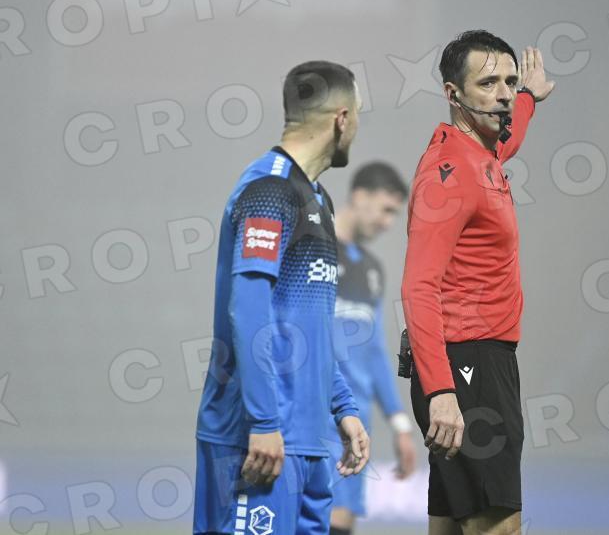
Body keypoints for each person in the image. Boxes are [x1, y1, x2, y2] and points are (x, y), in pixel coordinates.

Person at [194, 60, 370, 535]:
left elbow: (310, 323)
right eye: (358, 114)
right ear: (341, 119)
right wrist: (264, 421)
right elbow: (248, 307)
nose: (357, 127)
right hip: (259, 442)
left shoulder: (319, 199)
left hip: (307, 444)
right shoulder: (269, 189)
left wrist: (343, 407)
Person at [400, 30, 555, 535]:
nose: (503, 94)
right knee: (499, 526)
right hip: (469, 370)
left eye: (510, 81)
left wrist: (530, 98)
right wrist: (442, 390)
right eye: (488, 84)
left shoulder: (480, 155)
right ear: (453, 94)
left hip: (472, 365)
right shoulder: (450, 174)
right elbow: (418, 287)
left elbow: (506, 139)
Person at [328, 162, 418, 535]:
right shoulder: (311, 249)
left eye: (395, 214)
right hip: (318, 416)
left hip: (358, 424)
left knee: (342, 521)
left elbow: (375, 350)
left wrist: (399, 423)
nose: (388, 222)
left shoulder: (372, 269)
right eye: (386, 210)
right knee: (317, 518)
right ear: (360, 196)